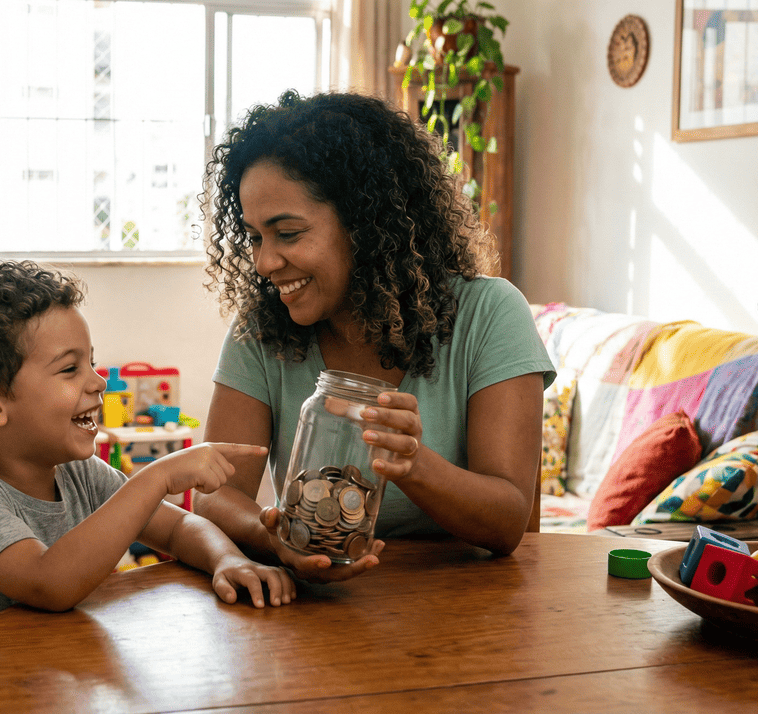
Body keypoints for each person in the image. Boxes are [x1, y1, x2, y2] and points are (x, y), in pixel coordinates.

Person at [194, 90, 556, 583]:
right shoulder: (260, 329)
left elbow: (509, 521)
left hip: (465, 605)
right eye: (256, 236)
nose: (264, 263)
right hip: (314, 611)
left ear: (365, 222)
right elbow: (214, 492)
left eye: (289, 233)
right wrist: (271, 538)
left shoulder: (490, 314)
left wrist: (414, 464)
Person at [0, 260, 296, 672]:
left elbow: (179, 527)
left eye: (91, 362)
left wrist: (226, 559)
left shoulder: (79, 474)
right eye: (70, 369)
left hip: (50, 686)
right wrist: (157, 477)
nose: (97, 382)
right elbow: (50, 582)